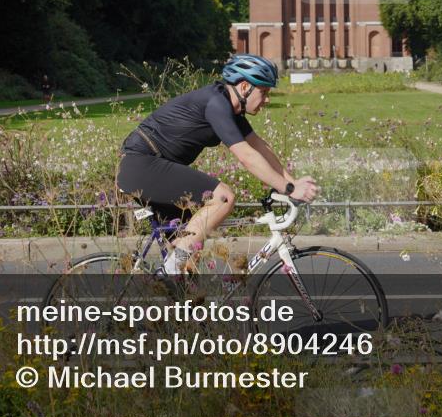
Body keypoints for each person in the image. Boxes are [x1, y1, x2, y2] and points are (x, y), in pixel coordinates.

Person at [115, 54, 318, 274]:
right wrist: (288, 189)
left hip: (152, 167)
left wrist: (292, 181)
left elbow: (259, 146)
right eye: (264, 92)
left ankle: (175, 293)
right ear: (244, 87)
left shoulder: (229, 108)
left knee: (192, 255)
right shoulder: (216, 104)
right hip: (142, 166)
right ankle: (170, 272)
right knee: (223, 198)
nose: (267, 99)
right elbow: (246, 156)